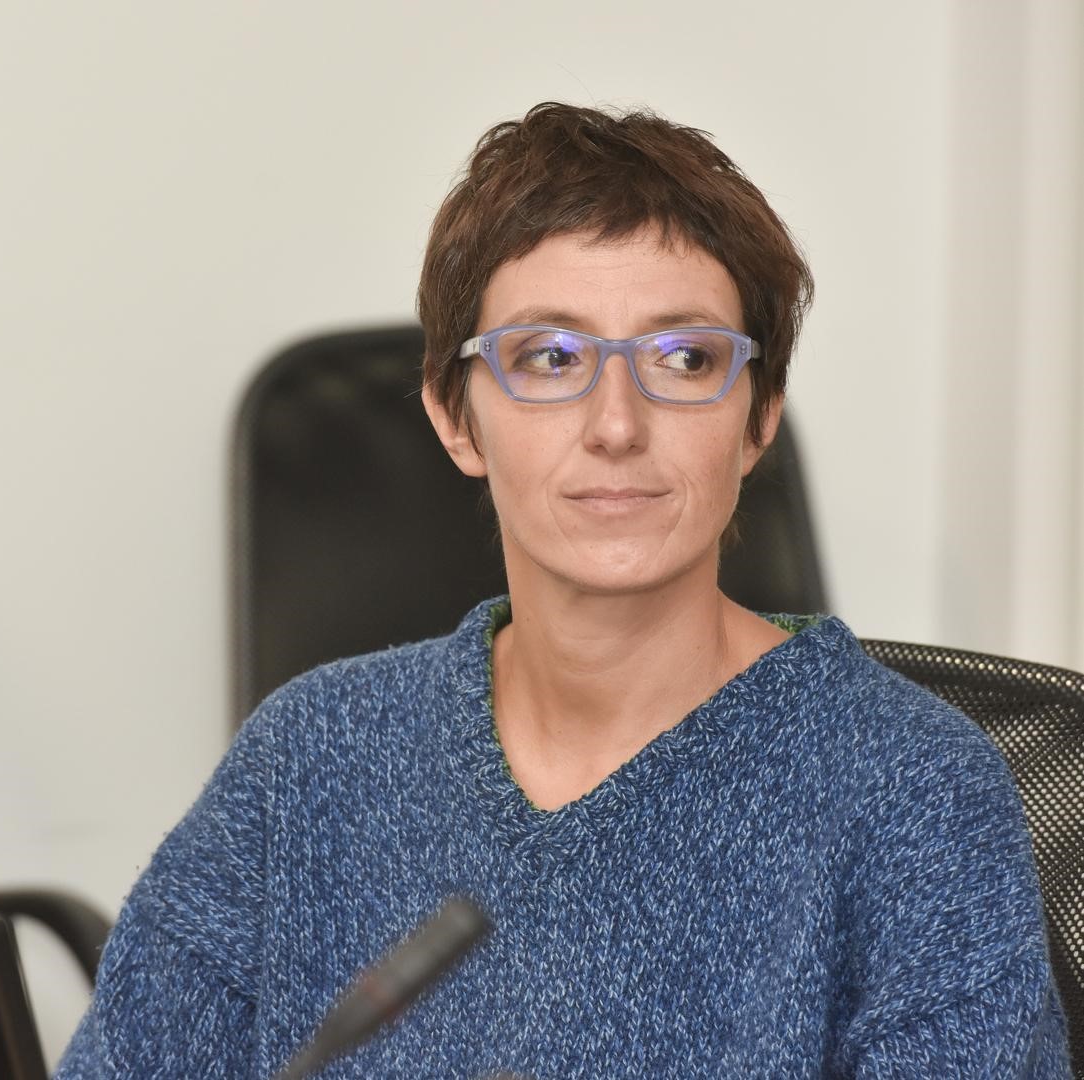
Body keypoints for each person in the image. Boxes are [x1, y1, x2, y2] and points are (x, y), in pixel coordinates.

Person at [56, 103, 1070, 1077]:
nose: (615, 425)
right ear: (454, 417)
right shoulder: (307, 758)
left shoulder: (915, 791)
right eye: (548, 358)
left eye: (684, 357)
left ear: (757, 417)